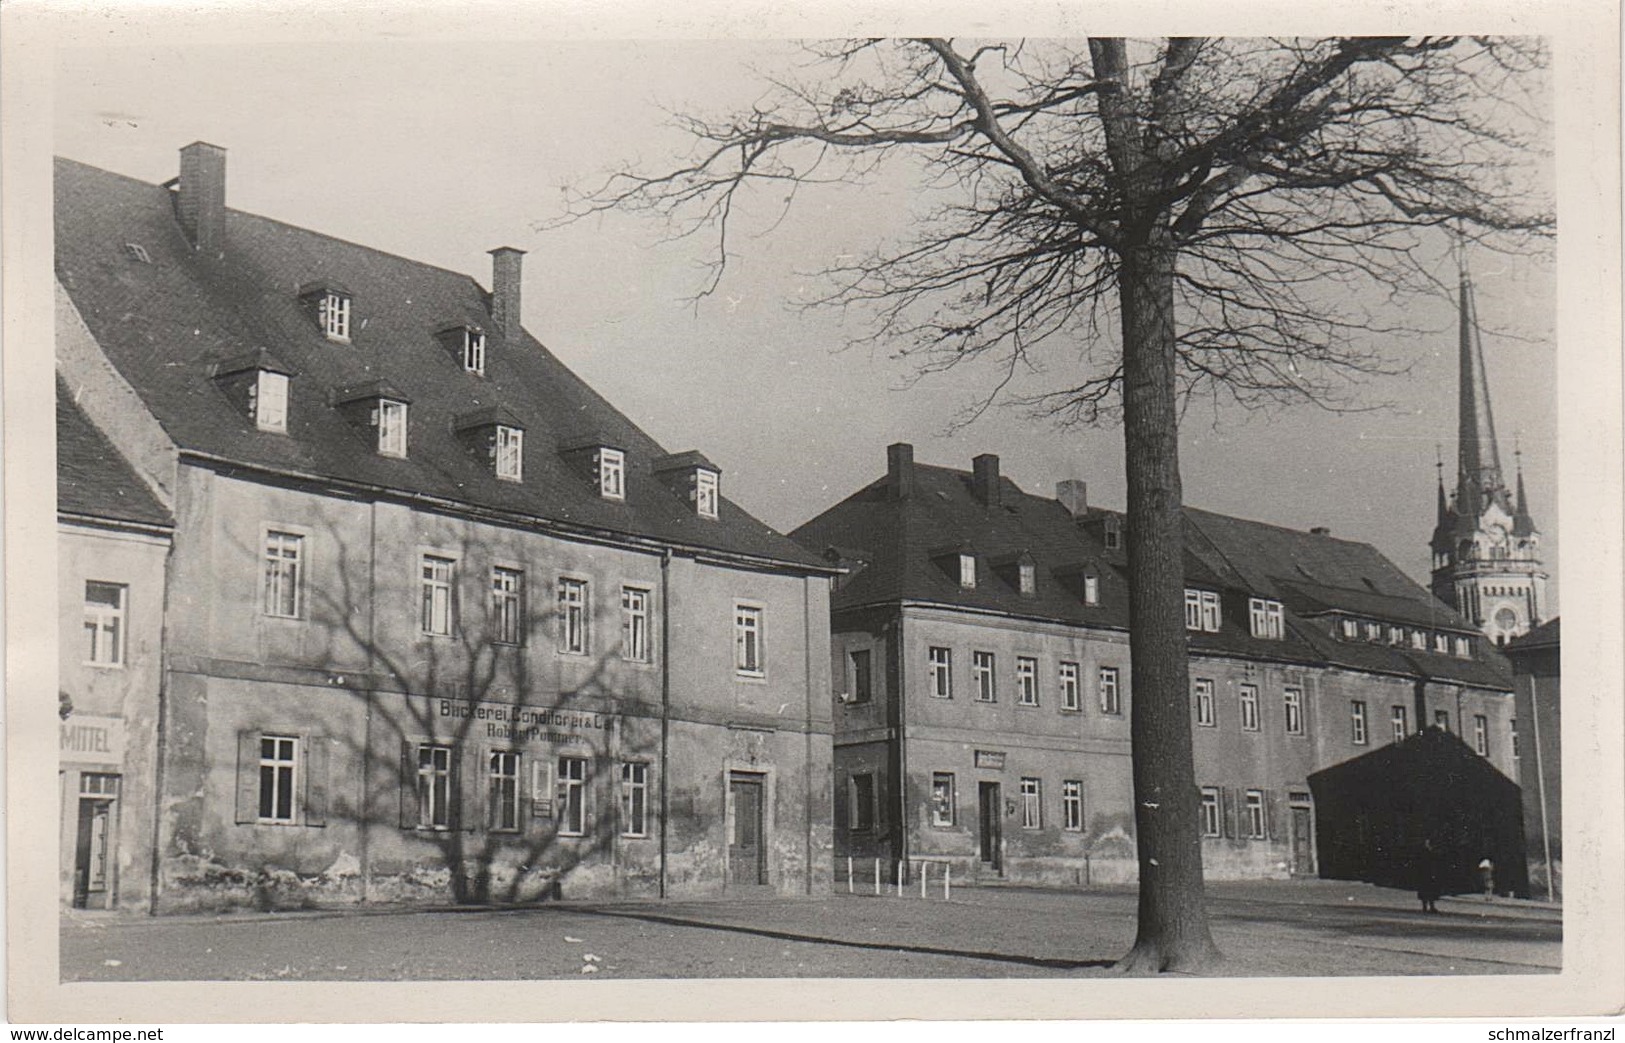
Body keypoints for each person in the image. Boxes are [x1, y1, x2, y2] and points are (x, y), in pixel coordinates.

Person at [1417, 839, 1443, 914]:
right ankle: (1429, 907)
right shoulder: (1428, 853)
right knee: (1429, 891)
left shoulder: (1426, 853)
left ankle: (1426, 907)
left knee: (1426, 892)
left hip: (1424, 875)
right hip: (1427, 874)